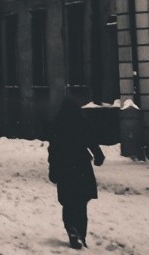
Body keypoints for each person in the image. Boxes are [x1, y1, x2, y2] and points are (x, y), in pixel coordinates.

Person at [47, 96, 105, 249]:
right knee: (81, 202)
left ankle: (71, 229)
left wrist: (52, 170)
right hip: (81, 167)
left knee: (68, 202)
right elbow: (91, 140)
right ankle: (81, 234)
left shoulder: (57, 123)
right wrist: (99, 155)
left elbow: (53, 150)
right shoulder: (81, 121)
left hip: (64, 167)